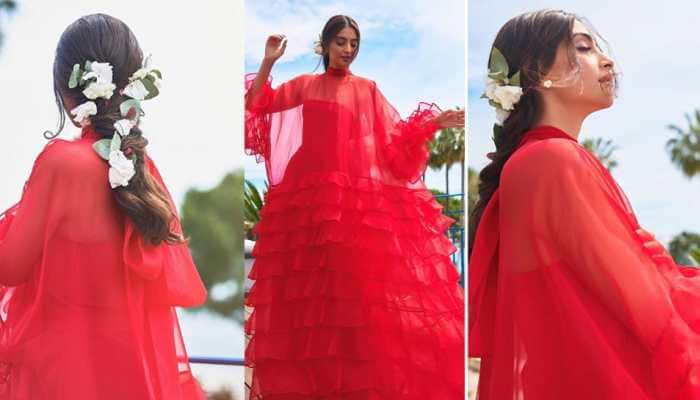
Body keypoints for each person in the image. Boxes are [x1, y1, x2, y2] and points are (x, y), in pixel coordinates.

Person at [469, 9, 700, 399]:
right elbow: (647, 306)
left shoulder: (532, 162)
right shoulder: (553, 159)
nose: (607, 60)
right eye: (582, 47)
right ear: (537, 70)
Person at [244, 14, 465, 399]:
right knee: (305, 296)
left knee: (352, 293)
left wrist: (435, 122)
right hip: (305, 194)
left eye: (353, 44)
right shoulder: (303, 86)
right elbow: (256, 103)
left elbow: (394, 142)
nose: (347, 50)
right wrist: (268, 62)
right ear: (325, 44)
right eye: (341, 42)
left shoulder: (366, 89)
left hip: (347, 199)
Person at [0, 14, 207, 399]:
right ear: (132, 86)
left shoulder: (61, 163)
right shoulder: (141, 169)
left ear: (64, 89)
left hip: (63, 375)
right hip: (128, 374)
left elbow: (9, 266)